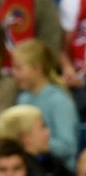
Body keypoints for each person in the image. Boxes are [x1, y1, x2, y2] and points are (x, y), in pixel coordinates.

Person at [11, 38, 79, 168]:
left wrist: (39, 143)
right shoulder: (23, 98)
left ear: (38, 69)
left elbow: (69, 147)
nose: (14, 74)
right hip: (30, 168)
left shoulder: (59, 101)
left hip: (59, 173)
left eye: (19, 68)